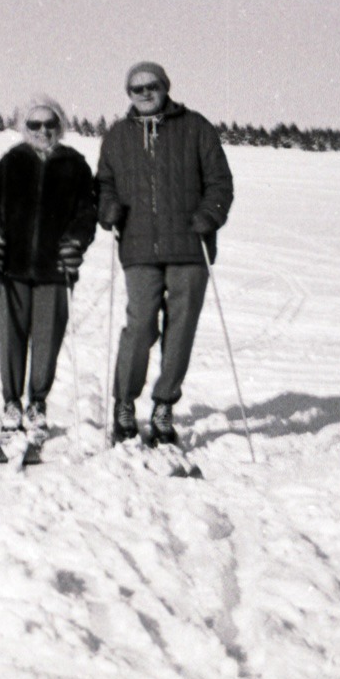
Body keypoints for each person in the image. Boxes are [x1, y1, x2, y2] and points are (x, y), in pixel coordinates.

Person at [97, 62, 233, 446]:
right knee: (139, 326)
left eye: (151, 86)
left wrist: (209, 216)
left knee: (181, 328)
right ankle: (124, 403)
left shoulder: (196, 127)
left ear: (165, 87)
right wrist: (107, 209)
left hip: (190, 246)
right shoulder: (118, 136)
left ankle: (163, 405)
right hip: (138, 247)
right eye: (135, 89)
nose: (144, 93)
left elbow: (220, 182)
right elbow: (104, 182)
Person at [0, 96, 97, 452]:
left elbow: (86, 213)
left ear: (60, 125)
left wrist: (75, 242)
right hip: (10, 269)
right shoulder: (12, 162)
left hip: (54, 270)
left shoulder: (75, 165)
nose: (43, 131)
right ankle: (11, 403)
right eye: (34, 125)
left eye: (49, 124)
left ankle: (37, 404)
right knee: (10, 338)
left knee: (46, 341)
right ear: (24, 128)